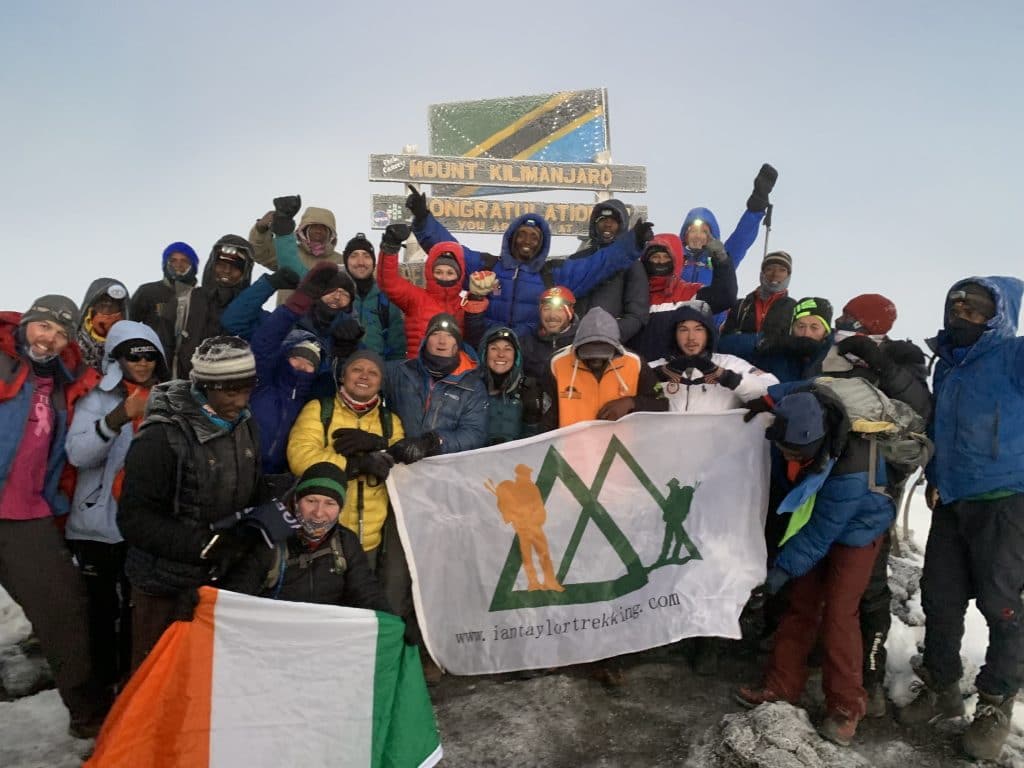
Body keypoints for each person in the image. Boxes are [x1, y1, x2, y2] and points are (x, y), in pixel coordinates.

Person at [896, 277, 1024, 762]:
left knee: (1002, 604)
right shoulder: (947, 365)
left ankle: (994, 702)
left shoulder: (1014, 356)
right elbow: (941, 428)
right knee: (942, 598)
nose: (964, 317)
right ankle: (941, 685)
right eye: (958, 309)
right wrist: (935, 472)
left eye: (976, 311)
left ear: (997, 315)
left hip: (1007, 498)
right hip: (951, 499)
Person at [736, 389, 894, 747]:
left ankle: (846, 706)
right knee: (802, 601)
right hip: (817, 521)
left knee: (840, 612)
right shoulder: (809, 410)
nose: (790, 458)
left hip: (858, 529)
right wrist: (766, 399)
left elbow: (820, 536)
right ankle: (781, 685)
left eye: (796, 454)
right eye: (785, 451)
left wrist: (775, 575)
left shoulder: (851, 466)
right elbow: (798, 386)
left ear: (817, 441)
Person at [117, 335, 266, 670]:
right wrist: (204, 545)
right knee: (157, 683)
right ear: (204, 386)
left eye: (247, 388)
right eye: (230, 390)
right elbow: (133, 519)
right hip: (163, 586)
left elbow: (254, 486)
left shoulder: (246, 424)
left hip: (219, 580)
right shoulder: (160, 437)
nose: (241, 400)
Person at [0, 295, 111, 737]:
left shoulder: (65, 386)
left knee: (64, 610)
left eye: (60, 332)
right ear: (27, 323)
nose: (49, 338)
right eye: (43, 326)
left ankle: (89, 718)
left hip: (27, 515)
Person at [64, 321, 169, 695]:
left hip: (144, 525)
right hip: (96, 524)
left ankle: (133, 686)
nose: (141, 363)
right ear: (117, 357)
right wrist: (120, 415)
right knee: (99, 613)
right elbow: (77, 454)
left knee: (137, 611)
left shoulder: (170, 397)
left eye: (149, 355)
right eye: (132, 355)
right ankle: (99, 689)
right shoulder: (97, 398)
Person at [406, 186, 649, 336]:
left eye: (535, 237)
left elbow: (600, 264)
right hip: (487, 350)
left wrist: (632, 241)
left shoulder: (554, 275)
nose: (527, 240)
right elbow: (449, 250)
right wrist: (423, 218)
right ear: (511, 238)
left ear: (542, 244)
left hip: (531, 353)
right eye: (522, 234)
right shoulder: (487, 266)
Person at [221, 462, 393, 611]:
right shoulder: (270, 538)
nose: (318, 513)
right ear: (296, 502)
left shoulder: (346, 542)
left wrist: (393, 622)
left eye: (330, 503)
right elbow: (235, 595)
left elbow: (367, 592)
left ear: (340, 508)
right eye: (311, 501)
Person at [287, 349, 404, 567]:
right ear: (343, 375)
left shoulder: (391, 422)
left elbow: (400, 465)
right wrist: (354, 465)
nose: (364, 376)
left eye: (373, 373)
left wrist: (380, 445)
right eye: (357, 369)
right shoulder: (319, 410)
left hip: (370, 539)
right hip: (321, 534)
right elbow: (300, 457)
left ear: (381, 383)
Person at [384, 312, 489, 459]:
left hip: (443, 473)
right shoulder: (399, 372)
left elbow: (474, 434)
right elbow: (361, 373)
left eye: (449, 335)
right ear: (426, 340)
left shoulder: (473, 386)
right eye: (436, 334)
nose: (442, 341)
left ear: (457, 344)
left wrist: (433, 443)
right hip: (400, 465)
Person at [539, 307, 661, 431]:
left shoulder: (635, 363)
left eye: (603, 355)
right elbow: (547, 419)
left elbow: (661, 402)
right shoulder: (557, 363)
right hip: (571, 448)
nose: (595, 360)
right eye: (588, 354)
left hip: (620, 448)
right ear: (578, 348)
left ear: (615, 350)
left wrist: (631, 403)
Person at [646, 301, 778, 414]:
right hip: (666, 442)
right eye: (683, 329)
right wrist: (655, 377)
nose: (691, 337)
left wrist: (727, 377)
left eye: (698, 329)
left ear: (709, 333)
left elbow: (773, 390)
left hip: (716, 442)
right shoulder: (656, 367)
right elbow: (626, 391)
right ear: (674, 333)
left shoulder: (730, 363)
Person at [626, 233, 738, 362]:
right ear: (645, 261)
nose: (661, 261)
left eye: (666, 257)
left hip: (680, 375)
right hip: (640, 374)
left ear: (674, 261)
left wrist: (721, 258)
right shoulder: (632, 293)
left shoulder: (690, 293)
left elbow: (726, 297)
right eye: (655, 257)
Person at [376, 224, 476, 357]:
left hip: (453, 375)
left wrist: (478, 296)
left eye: (450, 272)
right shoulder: (416, 298)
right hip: (417, 372)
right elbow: (389, 283)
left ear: (459, 275)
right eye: (438, 271)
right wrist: (390, 247)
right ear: (430, 272)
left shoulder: (464, 306)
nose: (444, 277)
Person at [677, 164, 777, 286]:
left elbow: (741, 239)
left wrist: (756, 206)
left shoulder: (721, 259)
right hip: (673, 304)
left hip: (710, 304)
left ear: (711, 236)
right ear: (685, 235)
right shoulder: (672, 258)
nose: (698, 236)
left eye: (704, 231)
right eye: (693, 231)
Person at [173, 236, 255, 379]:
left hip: (228, 391)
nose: (227, 271)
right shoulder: (186, 299)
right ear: (212, 264)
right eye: (221, 264)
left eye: (235, 267)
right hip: (182, 386)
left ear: (245, 272)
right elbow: (166, 344)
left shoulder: (251, 309)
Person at [569, 200, 650, 341]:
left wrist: (610, 333)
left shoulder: (631, 264)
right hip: (573, 342)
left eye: (614, 221)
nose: (608, 224)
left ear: (622, 225)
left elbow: (637, 314)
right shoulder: (576, 260)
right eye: (602, 220)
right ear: (594, 224)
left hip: (611, 345)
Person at [130, 241, 200, 379]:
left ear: (193, 266)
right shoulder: (148, 292)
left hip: (191, 372)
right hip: (154, 370)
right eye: (173, 260)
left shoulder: (201, 297)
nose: (178, 264)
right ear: (165, 264)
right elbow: (128, 326)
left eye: (184, 260)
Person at [249, 201, 342, 304]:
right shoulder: (286, 251)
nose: (318, 231)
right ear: (304, 229)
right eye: (314, 226)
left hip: (325, 318)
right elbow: (260, 253)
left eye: (324, 228)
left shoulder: (341, 261)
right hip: (286, 317)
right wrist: (260, 229)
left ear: (331, 234)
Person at [718, 250, 797, 368]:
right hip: (740, 375)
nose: (775, 274)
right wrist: (758, 341)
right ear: (762, 273)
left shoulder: (795, 308)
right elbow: (723, 344)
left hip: (777, 377)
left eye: (782, 270)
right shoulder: (741, 306)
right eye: (770, 269)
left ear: (788, 275)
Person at [341, 232, 407, 361]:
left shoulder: (386, 300)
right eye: (354, 256)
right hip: (340, 372)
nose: (361, 262)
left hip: (376, 373)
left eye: (366, 256)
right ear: (346, 261)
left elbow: (397, 349)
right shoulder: (336, 296)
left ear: (373, 262)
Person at [756, 297, 835, 383]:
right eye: (801, 326)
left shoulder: (837, 357)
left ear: (826, 332)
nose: (806, 333)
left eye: (814, 328)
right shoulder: (779, 350)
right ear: (792, 328)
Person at [519, 286, 580, 381]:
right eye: (547, 309)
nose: (552, 315)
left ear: (570, 313)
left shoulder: (581, 342)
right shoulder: (527, 342)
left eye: (559, 309)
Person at [76, 279, 131, 371]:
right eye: (103, 301)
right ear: (92, 304)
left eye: (114, 302)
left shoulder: (133, 343)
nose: (108, 305)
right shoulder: (73, 343)